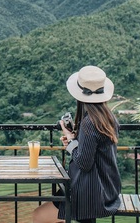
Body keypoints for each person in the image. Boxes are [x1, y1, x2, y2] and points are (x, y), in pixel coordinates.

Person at [33, 65, 121, 223]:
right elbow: (95, 150)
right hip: (107, 187)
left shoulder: (89, 122)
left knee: (39, 215)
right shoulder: (108, 119)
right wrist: (75, 139)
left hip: (89, 192)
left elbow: (84, 163)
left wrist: (71, 143)